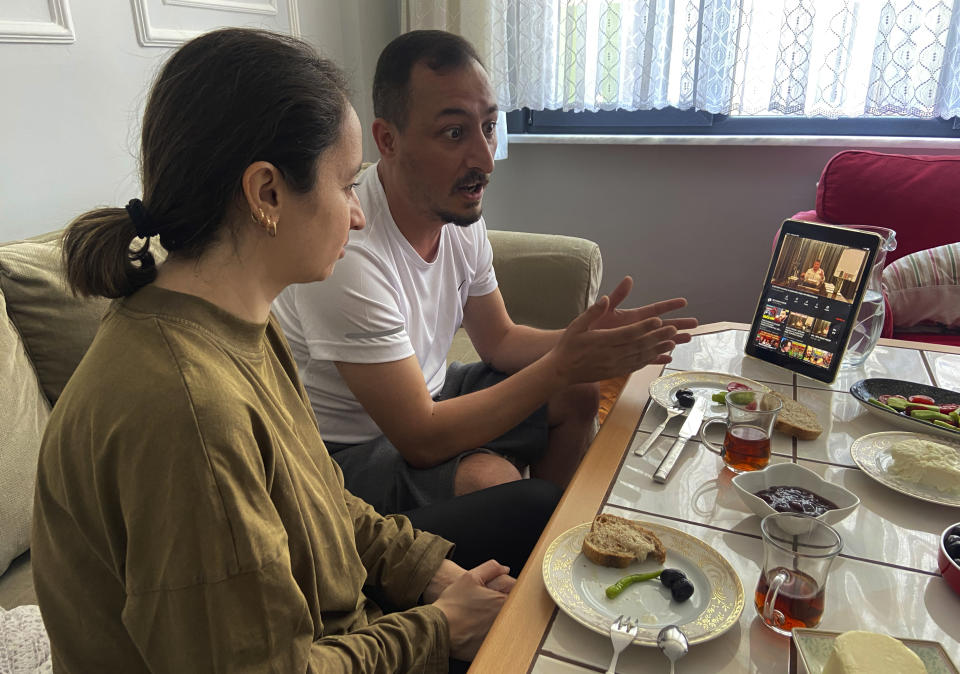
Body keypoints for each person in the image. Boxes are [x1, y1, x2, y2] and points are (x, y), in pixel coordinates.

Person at [31, 28, 526, 673]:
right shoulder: (187, 414)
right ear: (266, 194)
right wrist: (435, 631)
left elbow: (319, 491)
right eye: (347, 185)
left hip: (340, 622)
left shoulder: (241, 321)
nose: (357, 215)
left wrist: (431, 576)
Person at [273, 30, 697, 516]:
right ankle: (536, 553)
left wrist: (583, 341)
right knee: (491, 482)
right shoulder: (347, 251)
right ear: (387, 140)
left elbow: (500, 339)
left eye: (489, 127)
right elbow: (422, 438)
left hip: (432, 392)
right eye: (454, 133)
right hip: (343, 452)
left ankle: (558, 533)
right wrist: (562, 361)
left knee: (576, 392)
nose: (484, 159)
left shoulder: (456, 212)